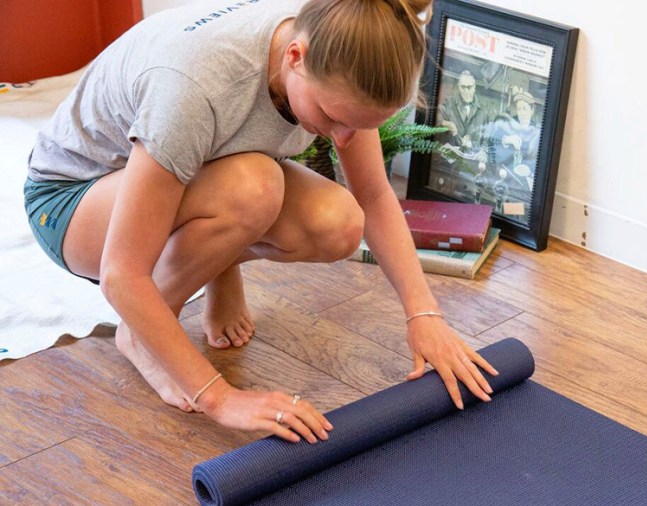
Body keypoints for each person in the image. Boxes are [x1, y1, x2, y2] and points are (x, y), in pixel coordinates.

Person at [23, 0, 498, 445]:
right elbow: (122, 273)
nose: (343, 137)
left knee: (337, 222)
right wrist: (220, 397)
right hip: (72, 199)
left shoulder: (341, 38)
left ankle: (210, 276)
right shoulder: (193, 87)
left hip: (182, 177)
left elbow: (373, 196)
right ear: (296, 56)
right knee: (254, 186)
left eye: (360, 125)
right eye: (333, 118)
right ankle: (140, 330)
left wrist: (424, 315)